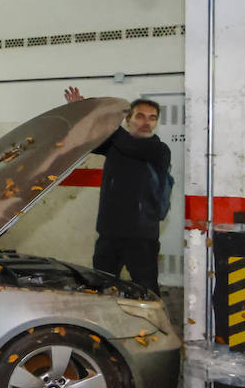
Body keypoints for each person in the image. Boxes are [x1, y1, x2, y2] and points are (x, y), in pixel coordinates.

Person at [64, 87, 171, 293]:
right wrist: (81, 111)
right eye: (140, 117)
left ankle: (153, 325)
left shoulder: (158, 150)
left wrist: (102, 115)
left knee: (146, 289)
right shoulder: (115, 146)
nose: (146, 122)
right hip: (109, 233)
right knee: (102, 286)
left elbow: (128, 145)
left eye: (152, 118)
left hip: (141, 236)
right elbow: (85, 140)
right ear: (128, 119)